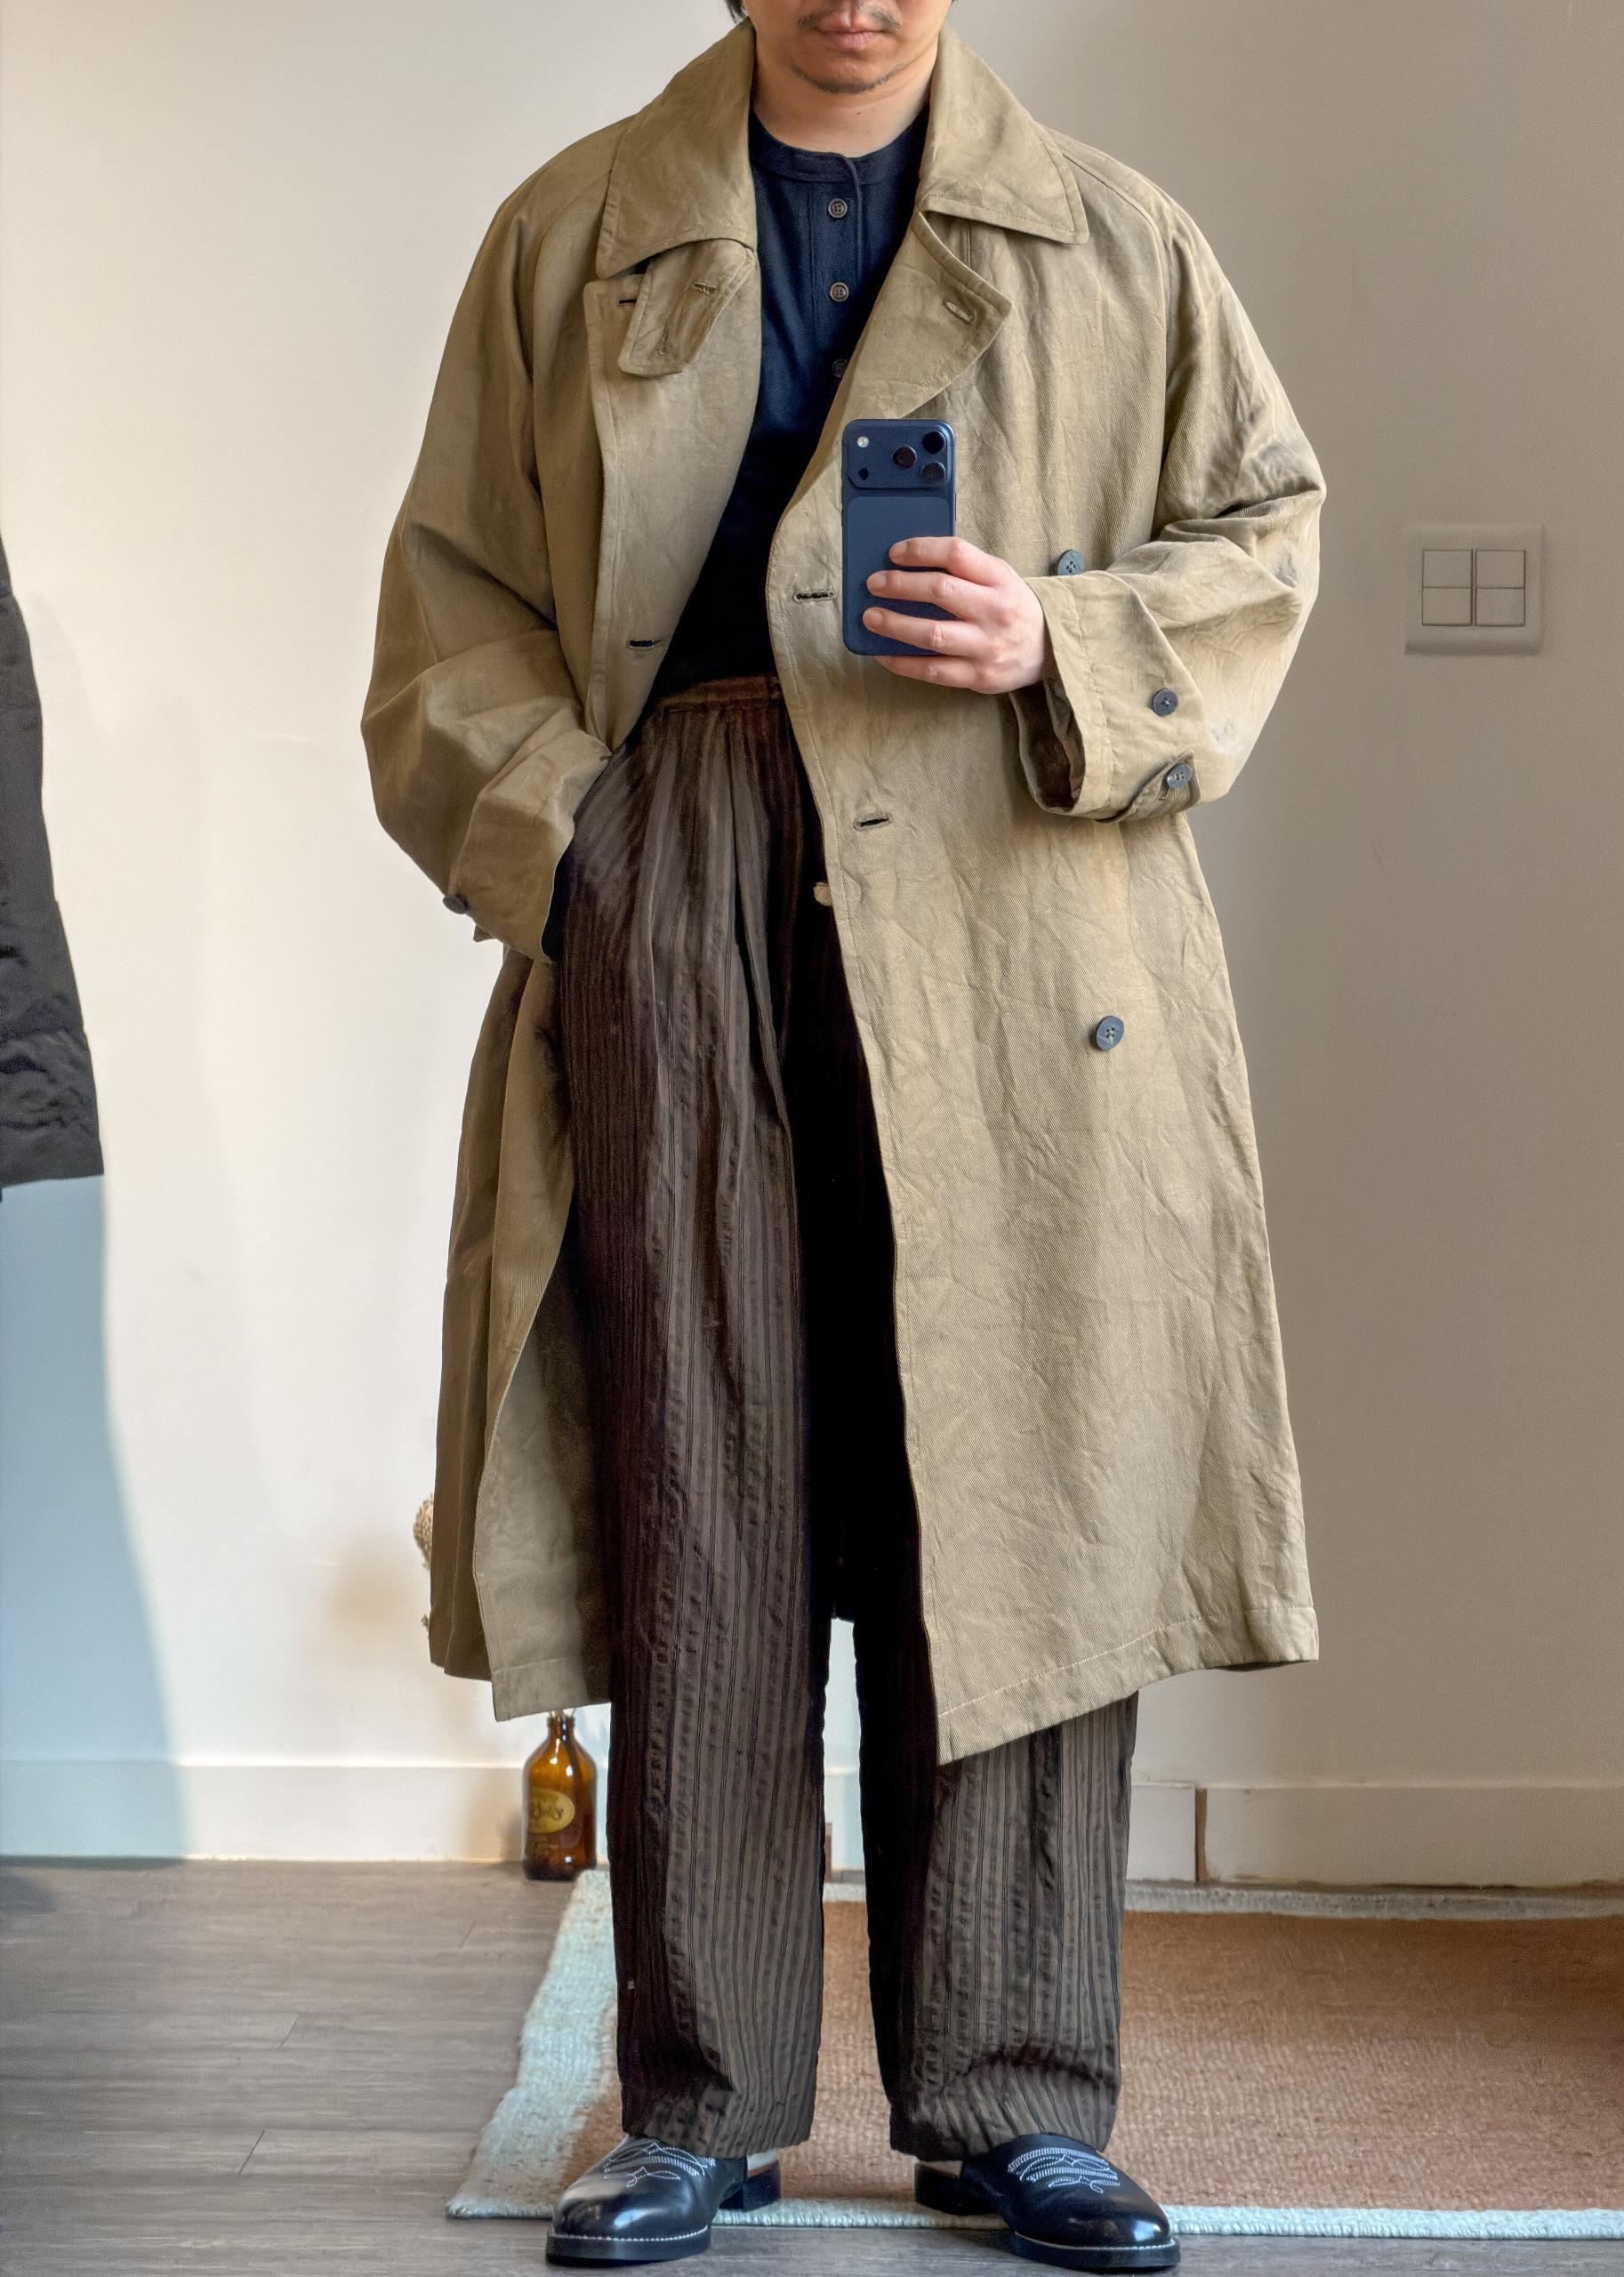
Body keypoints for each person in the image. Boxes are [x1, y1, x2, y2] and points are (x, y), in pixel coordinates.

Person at [362, 3, 1326, 2266]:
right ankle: (701, 2102)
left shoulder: (1115, 239)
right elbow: (449, 610)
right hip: (681, 860)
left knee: (1020, 1462)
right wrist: (584, 841)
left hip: (1010, 882)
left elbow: (1266, 528)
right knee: (701, 1466)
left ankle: (1017, 2095)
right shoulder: (572, 233)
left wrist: (1060, 631)